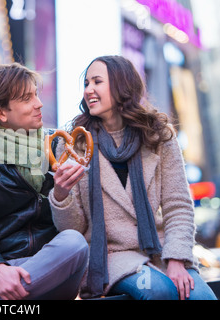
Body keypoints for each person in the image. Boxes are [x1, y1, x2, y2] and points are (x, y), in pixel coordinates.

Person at [49, 55, 217, 300]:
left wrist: (177, 259)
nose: (88, 90)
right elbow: (74, 230)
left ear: (122, 86)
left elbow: (178, 205)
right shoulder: (75, 145)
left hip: (159, 251)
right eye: (86, 83)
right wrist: (61, 194)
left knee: (203, 297)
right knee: (158, 290)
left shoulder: (158, 137)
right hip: (108, 256)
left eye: (97, 82)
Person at [0, 62, 89, 300]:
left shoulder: (58, 145)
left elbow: (76, 227)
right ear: (2, 113)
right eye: (27, 98)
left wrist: (61, 194)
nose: (39, 103)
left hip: (51, 264)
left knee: (74, 242)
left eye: (36, 94)